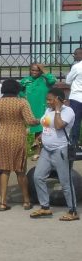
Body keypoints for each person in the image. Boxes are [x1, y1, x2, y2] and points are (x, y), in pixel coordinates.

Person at [0, 80, 38, 211]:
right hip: (17, 136)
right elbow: (30, 121)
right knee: (20, 170)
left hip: (1, 136)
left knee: (4, 170)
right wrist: (40, 120)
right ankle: (26, 201)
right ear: (16, 89)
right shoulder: (22, 102)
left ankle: (2, 202)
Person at [30, 88, 79, 221]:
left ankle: (72, 211)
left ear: (57, 99)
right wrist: (40, 137)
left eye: (50, 100)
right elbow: (47, 125)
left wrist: (57, 109)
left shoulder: (68, 111)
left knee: (65, 182)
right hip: (47, 149)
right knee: (38, 177)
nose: (47, 102)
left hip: (61, 150)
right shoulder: (48, 110)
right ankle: (45, 207)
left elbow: (58, 126)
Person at [20, 63, 56, 136]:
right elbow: (18, 90)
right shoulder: (25, 80)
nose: (35, 72)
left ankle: (41, 145)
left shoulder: (45, 80)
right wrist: (23, 97)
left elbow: (53, 80)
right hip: (29, 108)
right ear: (30, 70)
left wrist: (44, 70)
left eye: (37, 70)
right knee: (29, 131)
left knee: (44, 131)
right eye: (33, 70)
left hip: (43, 109)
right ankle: (31, 146)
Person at [66, 48, 82, 148]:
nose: (74, 56)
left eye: (75, 54)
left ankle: (74, 145)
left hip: (77, 98)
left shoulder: (76, 67)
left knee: (75, 122)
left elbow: (68, 81)